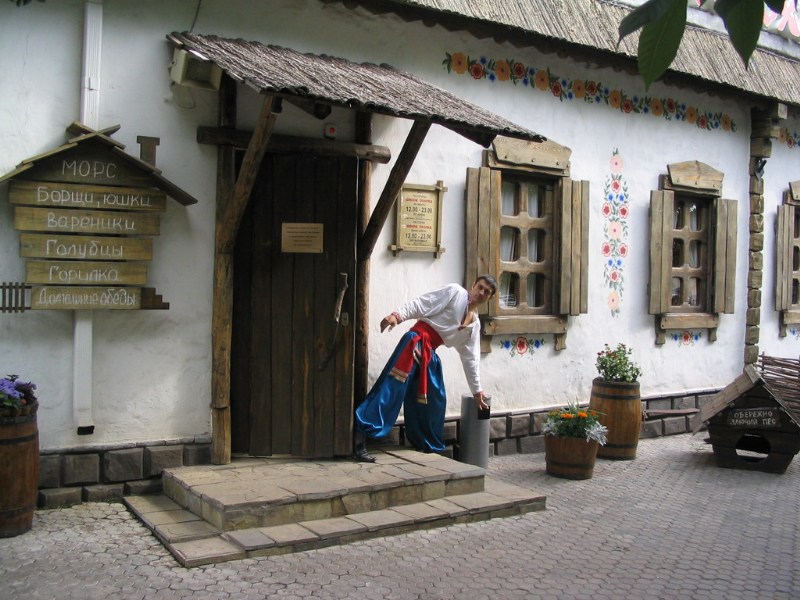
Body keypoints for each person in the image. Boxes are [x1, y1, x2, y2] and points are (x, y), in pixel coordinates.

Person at [353, 274, 497, 462]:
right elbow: (423, 303)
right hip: (415, 343)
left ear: (490, 298)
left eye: (487, 291)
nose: (481, 292)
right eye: (480, 287)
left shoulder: (474, 326)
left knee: (434, 398)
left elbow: (471, 359)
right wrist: (397, 316)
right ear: (473, 285)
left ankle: (425, 443)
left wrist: (477, 391)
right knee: (391, 391)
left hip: (430, 354)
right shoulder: (455, 292)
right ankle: (360, 436)